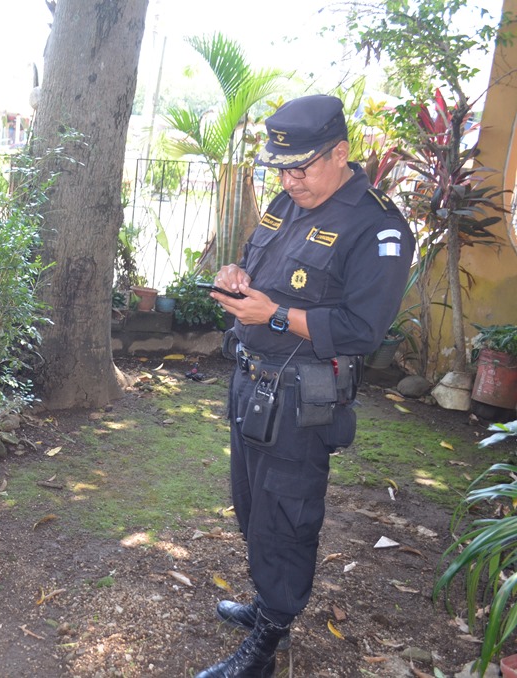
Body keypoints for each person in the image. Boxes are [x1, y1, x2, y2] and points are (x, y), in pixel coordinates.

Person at [194, 94, 415, 677]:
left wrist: (271, 316)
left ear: (340, 152)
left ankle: (267, 645)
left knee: (287, 515)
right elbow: (255, 268)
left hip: (303, 397)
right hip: (253, 386)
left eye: (302, 167)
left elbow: (364, 329)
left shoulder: (376, 226)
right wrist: (232, 277)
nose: (290, 180)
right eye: (281, 169)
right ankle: (270, 606)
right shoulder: (284, 204)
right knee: (252, 507)